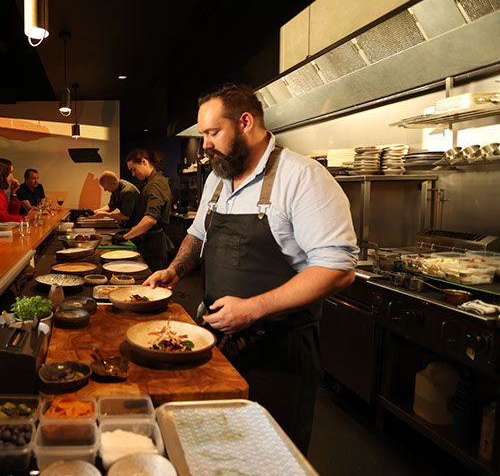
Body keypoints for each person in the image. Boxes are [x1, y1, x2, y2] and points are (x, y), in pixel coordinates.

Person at [144, 83, 358, 453]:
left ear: (245, 122)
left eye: (212, 133)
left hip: (279, 352)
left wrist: (253, 308)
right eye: (203, 134)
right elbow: (198, 236)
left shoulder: (302, 177)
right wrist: (174, 271)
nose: (205, 144)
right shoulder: (217, 179)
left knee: (267, 455)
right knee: (216, 448)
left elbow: (338, 268)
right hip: (217, 340)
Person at [112, 150, 172, 272]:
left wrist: (125, 236)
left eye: (134, 169)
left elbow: (151, 219)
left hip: (154, 245)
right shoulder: (153, 181)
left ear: (144, 162)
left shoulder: (155, 184)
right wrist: (133, 229)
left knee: (153, 284)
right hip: (150, 241)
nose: (133, 174)